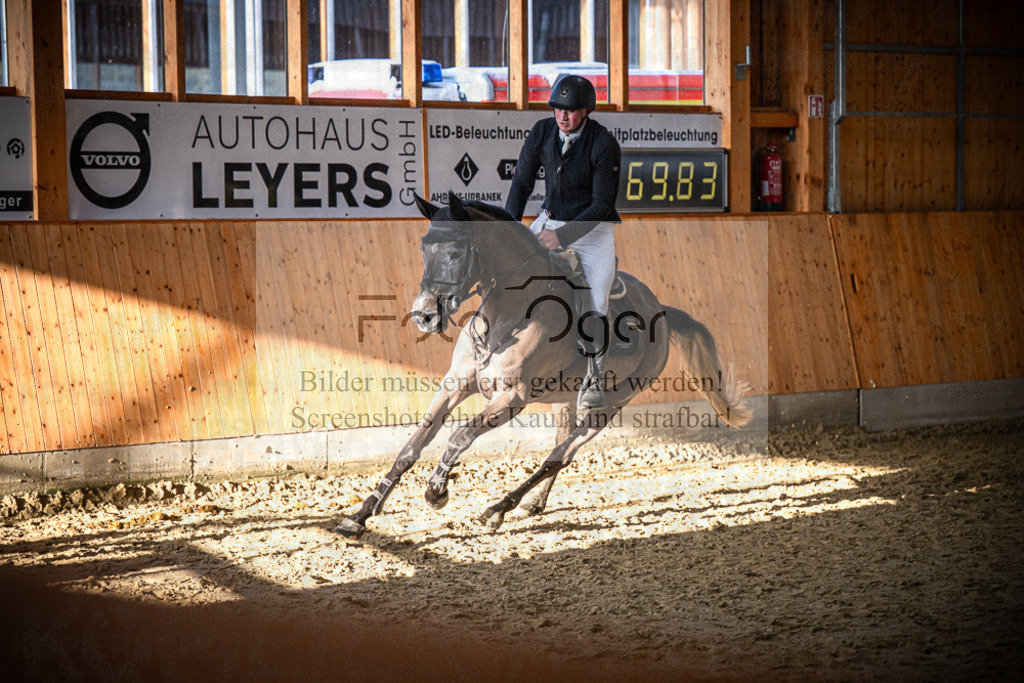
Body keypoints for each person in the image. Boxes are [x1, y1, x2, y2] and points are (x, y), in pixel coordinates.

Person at [505, 74, 622, 411]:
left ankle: (594, 373)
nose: (562, 117)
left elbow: (601, 205)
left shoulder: (603, 144)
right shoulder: (542, 131)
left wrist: (561, 236)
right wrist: (510, 227)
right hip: (549, 217)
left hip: (591, 230)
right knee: (510, 265)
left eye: (570, 111)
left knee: (597, 297)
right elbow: (522, 181)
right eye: (558, 109)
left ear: (586, 111)